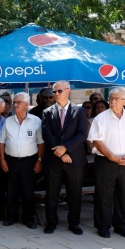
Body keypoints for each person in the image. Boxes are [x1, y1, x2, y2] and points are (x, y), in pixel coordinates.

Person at [87, 87, 125, 238]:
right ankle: (103, 226)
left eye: (116, 99)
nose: (112, 101)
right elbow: (97, 141)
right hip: (106, 162)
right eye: (111, 98)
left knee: (122, 195)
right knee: (104, 195)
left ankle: (121, 225)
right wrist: (112, 156)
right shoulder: (101, 118)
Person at [41, 81, 88, 235]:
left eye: (59, 91)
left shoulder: (79, 111)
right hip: (53, 160)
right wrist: (61, 152)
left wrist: (66, 148)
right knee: (51, 193)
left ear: (68, 91)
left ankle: (74, 223)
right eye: (54, 92)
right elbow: (46, 134)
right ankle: (51, 223)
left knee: (74, 194)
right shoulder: (47, 112)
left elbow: (82, 133)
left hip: (74, 160)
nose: (55, 94)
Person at [0, 92, 44, 229]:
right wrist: (2, 159)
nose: (15, 105)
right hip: (11, 160)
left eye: (18, 102)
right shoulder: (8, 121)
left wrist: (39, 160)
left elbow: (41, 143)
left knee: (27, 190)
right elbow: (1, 142)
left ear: (26, 104)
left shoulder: (36, 121)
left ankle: (29, 218)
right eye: (15, 102)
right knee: (11, 190)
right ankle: (12, 216)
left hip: (29, 161)